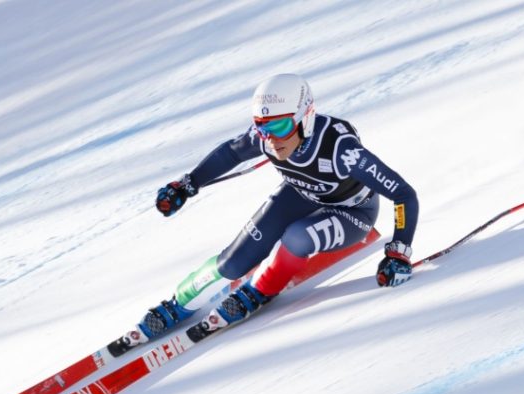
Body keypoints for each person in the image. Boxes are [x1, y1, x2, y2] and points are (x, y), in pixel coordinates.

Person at [109, 73, 420, 354]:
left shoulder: (342, 151)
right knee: (233, 263)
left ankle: (259, 290)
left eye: (281, 127)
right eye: (262, 127)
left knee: (297, 237)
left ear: (305, 118)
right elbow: (231, 153)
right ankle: (178, 303)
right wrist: (187, 184)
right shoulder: (267, 138)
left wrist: (399, 253)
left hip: (352, 212)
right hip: (301, 194)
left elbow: (404, 194)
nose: (271, 138)